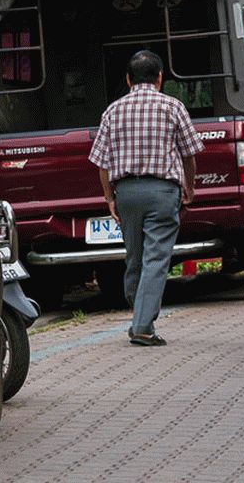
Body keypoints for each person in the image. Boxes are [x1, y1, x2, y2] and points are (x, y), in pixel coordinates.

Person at [89, 50, 203, 346]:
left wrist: (109, 198)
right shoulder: (173, 107)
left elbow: (102, 162)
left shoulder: (112, 111)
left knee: (135, 257)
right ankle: (142, 326)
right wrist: (189, 187)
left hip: (126, 192)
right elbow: (189, 155)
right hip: (163, 192)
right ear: (160, 78)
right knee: (156, 259)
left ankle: (138, 312)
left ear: (128, 80)